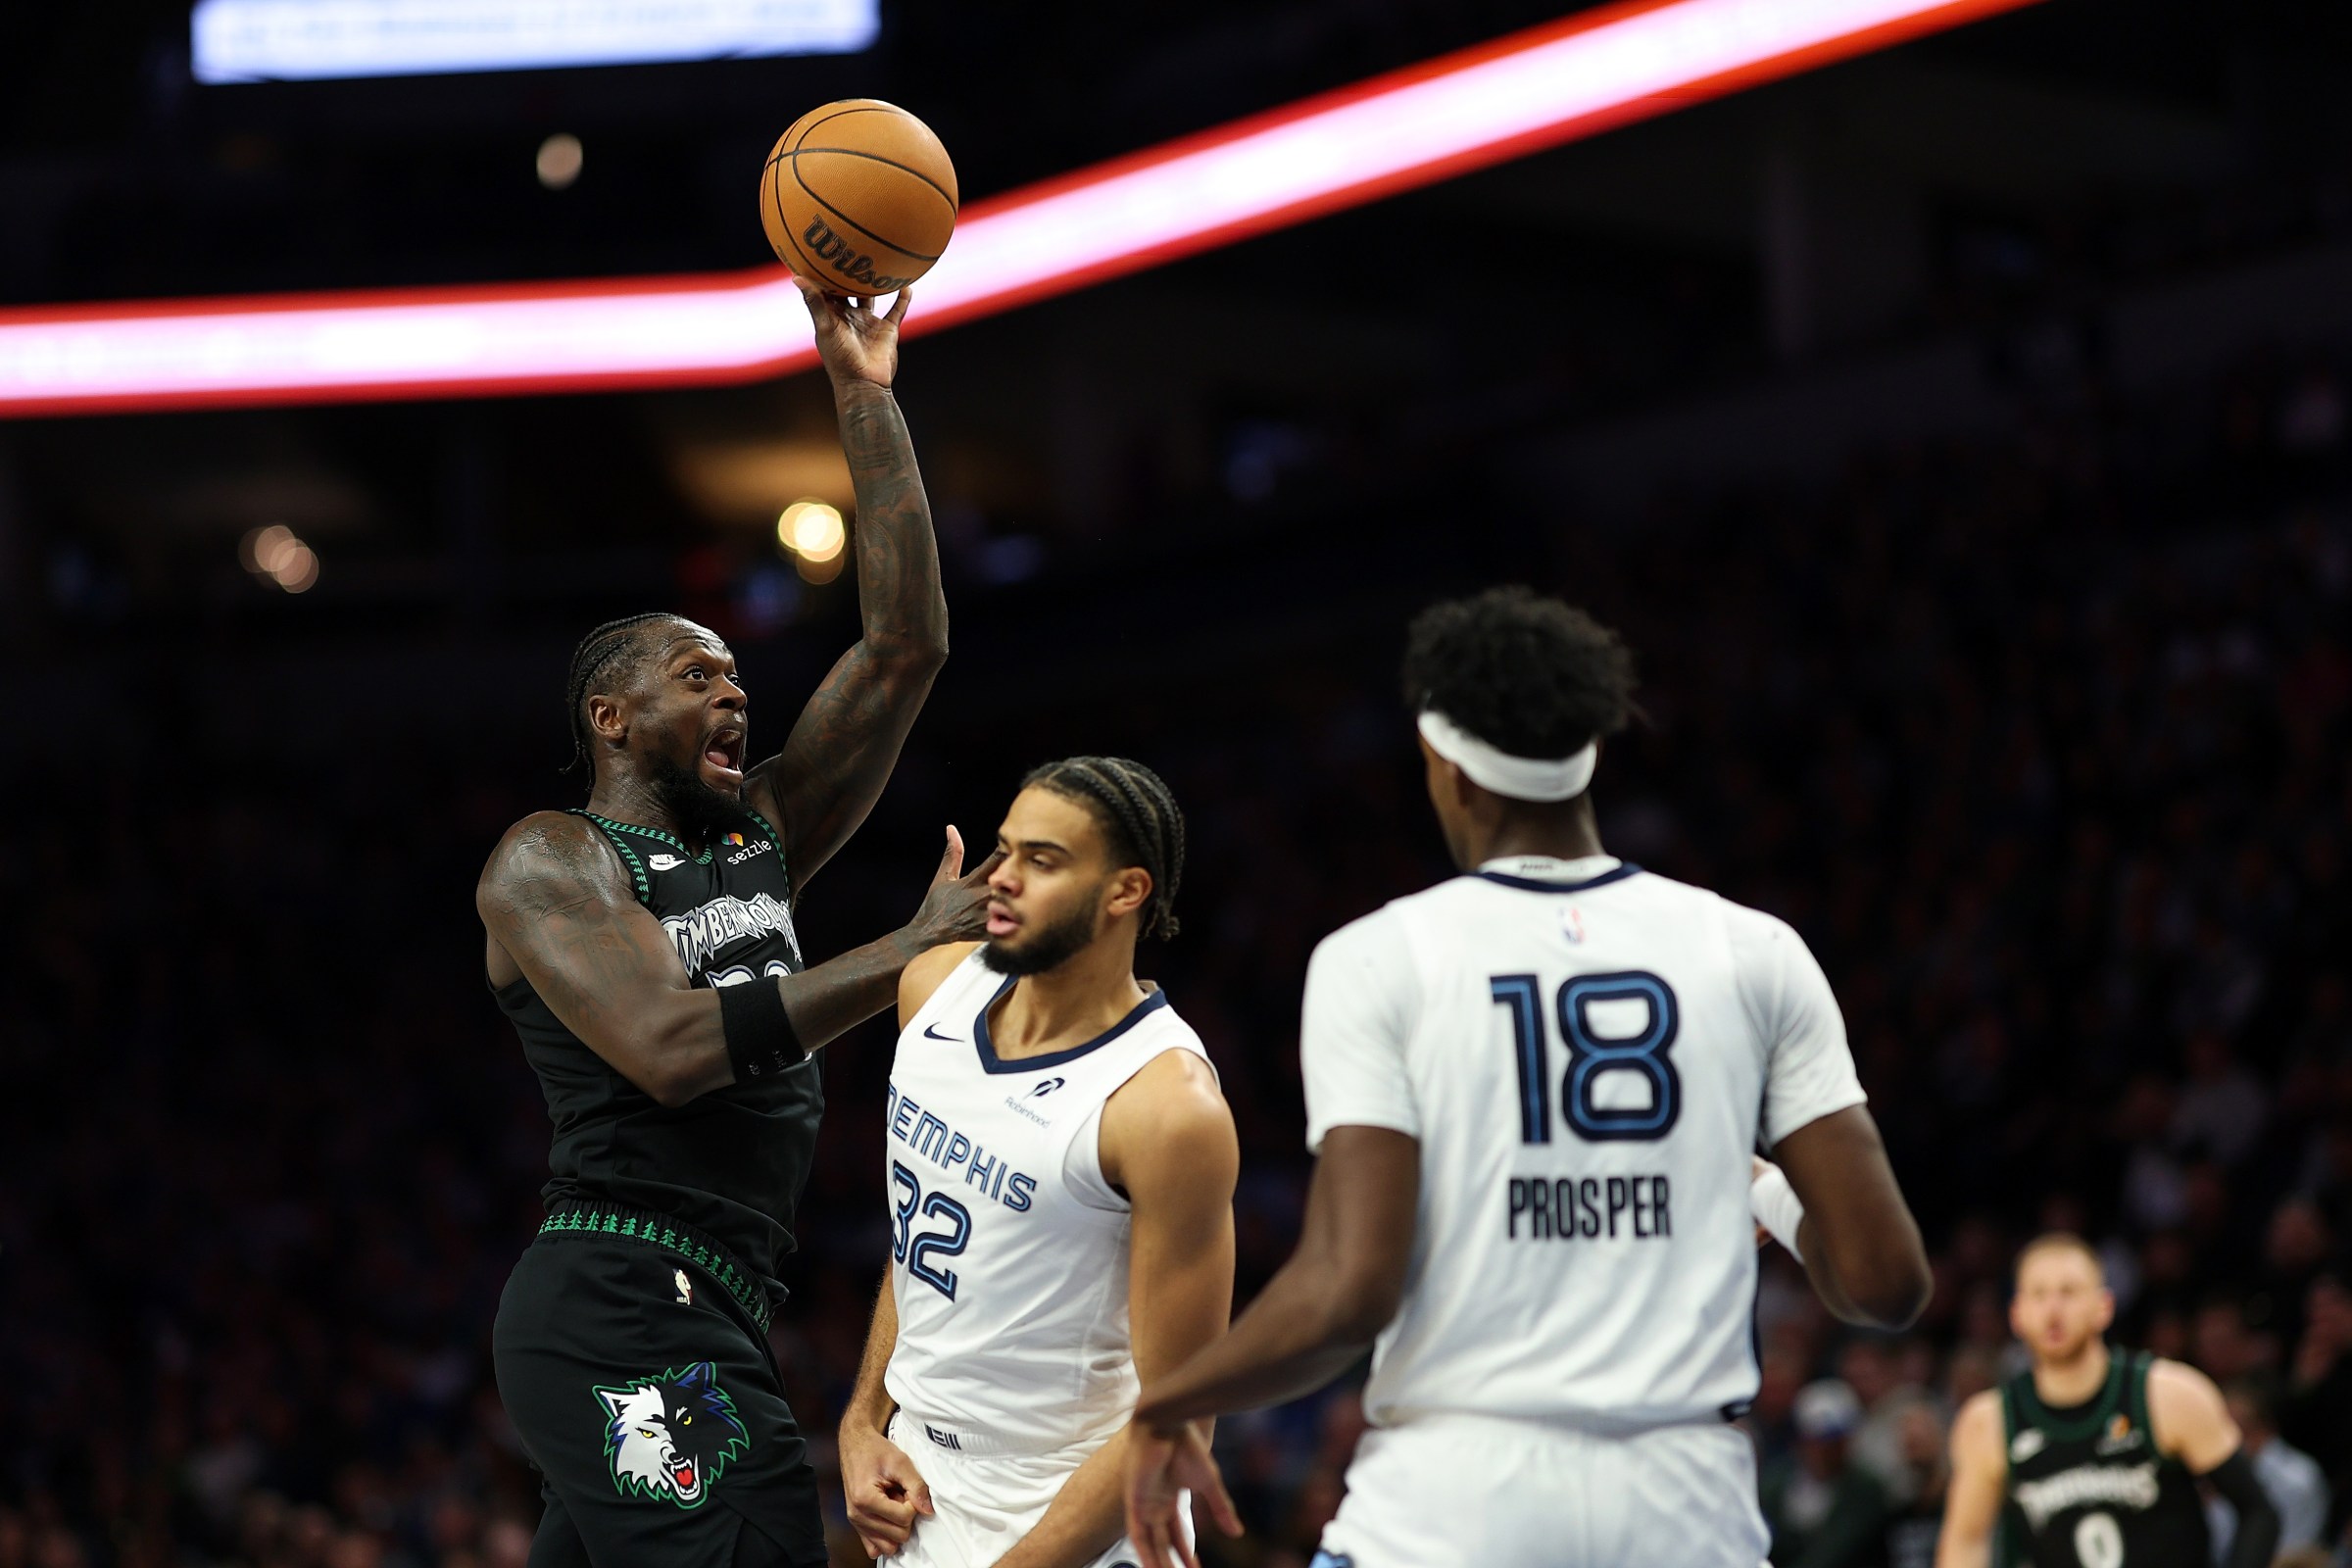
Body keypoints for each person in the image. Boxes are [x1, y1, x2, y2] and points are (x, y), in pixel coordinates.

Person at [1120, 586, 1932, 1568]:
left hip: (1455, 1509)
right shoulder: (1755, 950)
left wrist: (1171, 1401)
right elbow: (1887, 1282)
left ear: (1447, 767)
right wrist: (1765, 1192)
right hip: (1686, 1511)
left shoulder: (1379, 956)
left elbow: (1349, 1292)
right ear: (1591, 751)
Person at [477, 278, 999, 1568]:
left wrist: (864, 398)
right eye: (695, 674)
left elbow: (904, 647)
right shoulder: (554, 858)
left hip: (714, 1293)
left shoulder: (756, 834)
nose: (735, 694)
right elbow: (669, 1047)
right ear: (610, 718)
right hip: (624, 1297)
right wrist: (909, 950)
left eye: (736, 675)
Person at [838, 757, 1238, 1568]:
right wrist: (861, 1422)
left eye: (1043, 861)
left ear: (1126, 891)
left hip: (1075, 1513)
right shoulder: (933, 988)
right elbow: (928, 1247)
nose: (1004, 878)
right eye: (1007, 849)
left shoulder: (1167, 1106)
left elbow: (1181, 1418)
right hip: (919, 1489)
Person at [1934, 1234, 2280, 1568]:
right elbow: (1966, 1542)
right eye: (2038, 1295)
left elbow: (2258, 1511)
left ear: (2104, 1307)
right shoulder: (1990, 1421)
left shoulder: (2168, 1394)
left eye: (2068, 1292)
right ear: (2016, 1314)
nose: (2053, 1310)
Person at [1760, 1381, 1890, 1568]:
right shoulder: (1774, 1485)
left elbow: (1840, 1551)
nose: (1822, 1452)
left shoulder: (1866, 1491)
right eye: (1815, 1441)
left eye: (1832, 1443)